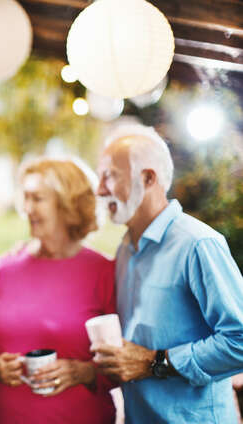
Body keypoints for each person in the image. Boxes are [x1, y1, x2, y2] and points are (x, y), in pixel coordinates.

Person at [92, 124, 243, 423]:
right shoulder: (124, 250)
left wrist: (154, 362)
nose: (99, 189)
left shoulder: (197, 244)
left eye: (110, 176)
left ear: (148, 178)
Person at [0, 158, 116, 423]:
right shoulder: (2, 270)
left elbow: (123, 364)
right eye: (25, 198)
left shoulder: (104, 272)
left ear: (67, 204)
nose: (27, 209)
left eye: (37, 199)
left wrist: (83, 372)